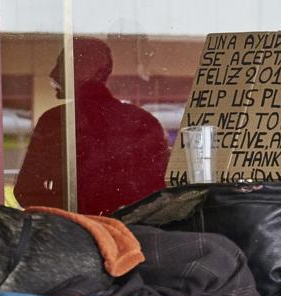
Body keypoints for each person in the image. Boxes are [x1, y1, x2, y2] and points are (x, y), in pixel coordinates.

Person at [14, 36, 169, 216]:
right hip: (130, 235)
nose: (53, 73)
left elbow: (26, 191)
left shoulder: (54, 121)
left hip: (73, 236)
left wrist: (72, 216)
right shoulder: (143, 121)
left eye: (62, 64)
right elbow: (158, 194)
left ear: (82, 71)